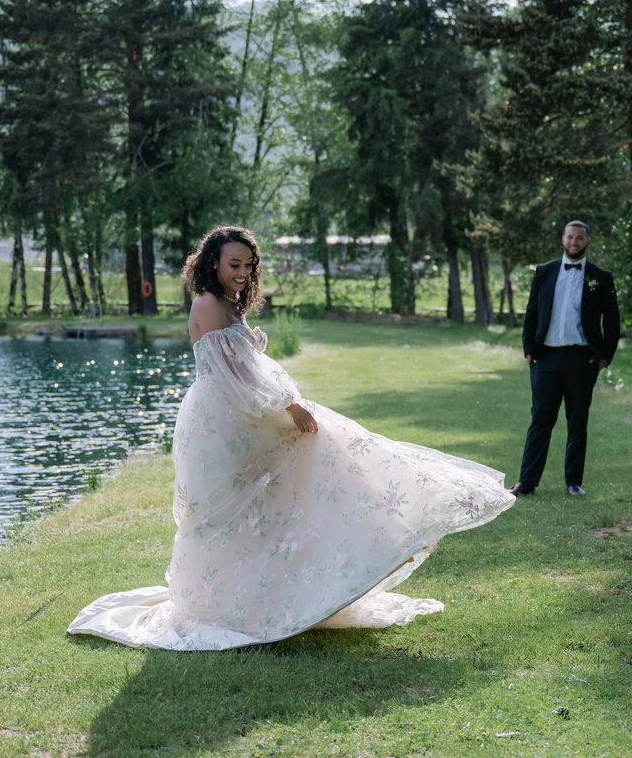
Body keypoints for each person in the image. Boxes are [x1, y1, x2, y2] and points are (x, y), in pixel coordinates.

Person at [68, 225, 515, 650]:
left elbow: (253, 370)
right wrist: (291, 405)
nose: (242, 274)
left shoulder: (229, 302)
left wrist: (290, 401)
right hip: (222, 421)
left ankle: (310, 578)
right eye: (234, 265)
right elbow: (241, 376)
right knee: (230, 510)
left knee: (289, 487)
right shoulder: (207, 303)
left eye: (248, 265)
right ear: (212, 264)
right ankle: (224, 605)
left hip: (242, 412)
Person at [509, 220, 620, 498]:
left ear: (587, 242)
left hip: (582, 359)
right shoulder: (544, 272)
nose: (574, 242)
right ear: (562, 239)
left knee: (577, 420)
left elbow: (613, 321)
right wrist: (528, 349)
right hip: (545, 357)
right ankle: (527, 481)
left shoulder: (601, 277)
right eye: (570, 237)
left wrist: (605, 357)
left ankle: (573, 482)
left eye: (580, 238)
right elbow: (531, 312)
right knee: (540, 419)